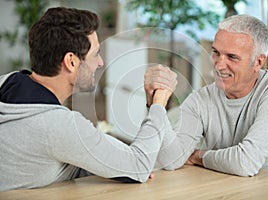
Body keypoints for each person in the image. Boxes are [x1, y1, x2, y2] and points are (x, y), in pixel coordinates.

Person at [0, 7, 177, 192]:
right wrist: (159, 101)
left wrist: (115, 164)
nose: (100, 62)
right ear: (71, 62)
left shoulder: (6, 82)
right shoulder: (60, 125)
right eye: (95, 54)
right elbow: (139, 166)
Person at [144, 14, 268, 176]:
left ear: (258, 62)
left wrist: (199, 156)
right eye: (216, 52)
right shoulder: (201, 99)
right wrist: (156, 104)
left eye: (232, 57)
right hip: (229, 191)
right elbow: (171, 159)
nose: (219, 65)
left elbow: (245, 163)